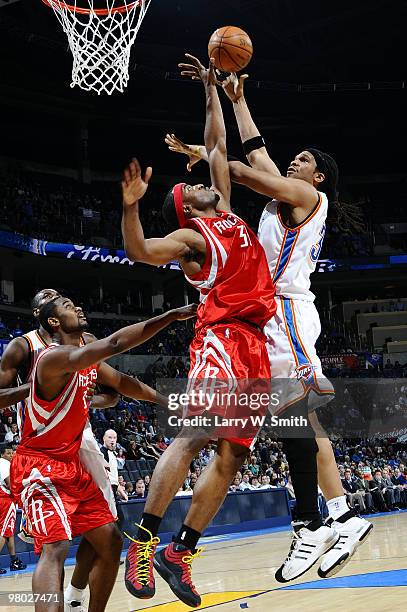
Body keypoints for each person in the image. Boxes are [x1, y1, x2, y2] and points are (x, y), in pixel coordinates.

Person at [167, 70, 372, 582]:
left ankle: (314, 524)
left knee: (292, 416)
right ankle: (337, 517)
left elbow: (242, 168)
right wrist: (239, 100)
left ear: (317, 177)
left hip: (286, 311)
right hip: (268, 313)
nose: (291, 162)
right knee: (298, 420)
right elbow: (256, 152)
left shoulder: (307, 199)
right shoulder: (288, 194)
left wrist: (209, 154)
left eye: (301, 160)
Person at [121, 55, 276, 608]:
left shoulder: (229, 212)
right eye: (198, 187)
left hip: (256, 344)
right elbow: (139, 251)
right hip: (222, 338)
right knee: (194, 436)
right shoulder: (193, 239)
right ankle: (142, 542)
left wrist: (212, 90)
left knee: (233, 455)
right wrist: (131, 210)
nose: (208, 180)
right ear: (187, 206)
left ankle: (179, 552)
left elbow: (214, 146)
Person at [10, 296, 196, 612]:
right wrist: (168, 316)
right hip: (38, 466)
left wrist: (169, 404)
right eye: (69, 306)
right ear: (53, 322)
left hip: (71, 466)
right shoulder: (51, 359)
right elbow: (114, 343)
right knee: (55, 546)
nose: (78, 307)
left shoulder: (86, 360)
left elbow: (125, 383)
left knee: (111, 543)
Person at [0, 446, 26, 573]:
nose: (11, 455)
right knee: (4, 532)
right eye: (8, 453)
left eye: (12, 452)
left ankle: (14, 560)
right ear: (2, 454)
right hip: (5, 500)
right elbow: (11, 485)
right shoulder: (3, 463)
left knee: (8, 532)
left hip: (2, 499)